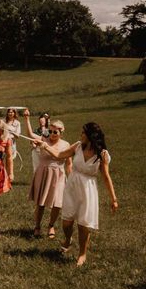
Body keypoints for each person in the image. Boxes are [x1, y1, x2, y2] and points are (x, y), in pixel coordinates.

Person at [37, 122, 118, 266]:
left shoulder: (102, 154)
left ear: (90, 135)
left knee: (83, 225)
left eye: (83, 133)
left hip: (88, 189)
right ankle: (68, 239)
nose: (80, 135)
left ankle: (82, 254)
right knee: (67, 223)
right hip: (72, 186)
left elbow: (106, 177)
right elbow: (60, 155)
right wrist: (46, 147)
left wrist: (114, 199)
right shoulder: (78, 146)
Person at [23, 110, 72, 238]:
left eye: (55, 132)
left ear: (62, 131)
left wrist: (71, 178)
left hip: (59, 176)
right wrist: (27, 119)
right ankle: (37, 226)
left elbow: (69, 163)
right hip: (43, 174)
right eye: (50, 131)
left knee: (57, 204)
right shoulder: (43, 139)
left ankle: (51, 225)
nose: (52, 134)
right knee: (41, 203)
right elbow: (30, 134)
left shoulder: (66, 145)